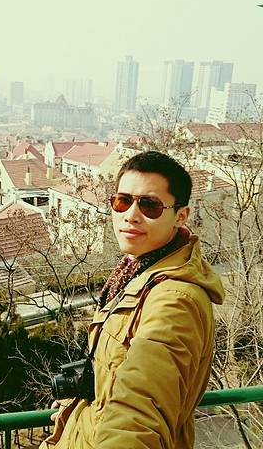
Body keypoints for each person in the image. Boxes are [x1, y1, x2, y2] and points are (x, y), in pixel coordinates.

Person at [40, 151, 224, 449]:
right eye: (122, 201)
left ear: (181, 216)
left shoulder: (174, 303)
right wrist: (78, 408)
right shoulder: (135, 275)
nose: (131, 215)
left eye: (150, 205)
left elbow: (138, 414)